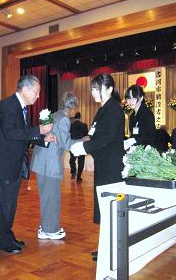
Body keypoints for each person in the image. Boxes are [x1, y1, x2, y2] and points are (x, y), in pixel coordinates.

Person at [0, 75, 55, 255]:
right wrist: (39, 130)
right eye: (36, 92)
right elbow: (11, 132)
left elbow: (24, 135)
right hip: (2, 165)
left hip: (12, 165)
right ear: (26, 89)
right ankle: (2, 242)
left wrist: (43, 139)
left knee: (9, 204)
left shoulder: (21, 107)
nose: (38, 96)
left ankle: (7, 236)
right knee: (2, 205)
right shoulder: (7, 106)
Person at [70, 73, 125, 260]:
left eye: (96, 88)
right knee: (104, 209)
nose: (93, 92)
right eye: (92, 88)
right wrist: (87, 139)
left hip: (111, 167)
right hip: (103, 165)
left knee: (110, 209)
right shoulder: (103, 109)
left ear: (109, 89)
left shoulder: (114, 110)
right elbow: (96, 133)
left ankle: (113, 251)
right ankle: (107, 248)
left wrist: (84, 147)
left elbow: (108, 138)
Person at [31, 92, 79, 240]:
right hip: (49, 164)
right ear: (71, 106)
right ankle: (50, 230)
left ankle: (44, 227)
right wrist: (84, 142)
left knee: (46, 196)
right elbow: (66, 143)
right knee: (52, 197)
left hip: (40, 161)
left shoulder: (54, 115)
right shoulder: (64, 119)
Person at [124, 85, 156, 149]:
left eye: (134, 98)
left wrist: (134, 140)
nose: (131, 101)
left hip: (146, 150)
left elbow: (151, 136)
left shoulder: (147, 113)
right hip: (136, 149)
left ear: (141, 98)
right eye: (129, 98)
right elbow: (134, 135)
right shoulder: (132, 115)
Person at [69, 112, 88, 182]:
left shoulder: (71, 125)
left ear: (74, 117)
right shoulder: (84, 125)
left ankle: (73, 171)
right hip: (81, 145)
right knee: (81, 161)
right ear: (80, 117)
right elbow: (86, 136)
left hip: (73, 145)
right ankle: (79, 177)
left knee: (72, 159)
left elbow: (69, 135)